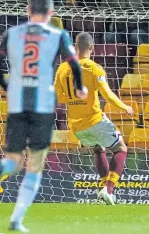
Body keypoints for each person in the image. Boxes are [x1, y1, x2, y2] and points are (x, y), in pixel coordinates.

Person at [0, 0, 87, 232]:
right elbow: (74, 63)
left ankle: (1, 169)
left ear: (27, 10)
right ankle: (16, 220)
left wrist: (8, 86)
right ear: (51, 13)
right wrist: (80, 87)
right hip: (42, 105)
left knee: (14, 160)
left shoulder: (13, 33)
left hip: (17, 104)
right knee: (35, 164)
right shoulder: (57, 33)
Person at [54, 32, 134, 205]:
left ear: (75, 47)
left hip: (76, 126)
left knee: (99, 149)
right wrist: (125, 107)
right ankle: (109, 189)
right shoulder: (94, 68)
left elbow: (59, 98)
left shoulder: (62, 68)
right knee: (121, 148)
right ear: (91, 48)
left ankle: (105, 192)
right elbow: (108, 94)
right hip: (94, 120)